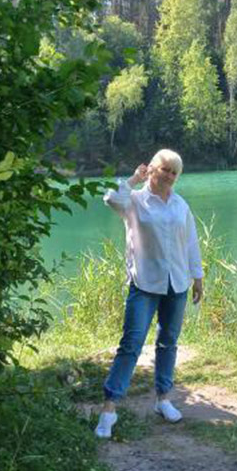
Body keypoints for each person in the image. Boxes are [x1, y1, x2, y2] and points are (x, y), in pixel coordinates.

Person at [94, 149, 204, 439]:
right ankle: (109, 408)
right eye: (165, 169)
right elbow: (110, 198)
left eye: (174, 172)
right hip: (144, 283)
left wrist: (198, 277)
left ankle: (163, 399)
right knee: (131, 343)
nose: (169, 175)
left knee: (168, 342)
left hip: (176, 283)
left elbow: (191, 243)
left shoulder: (180, 205)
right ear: (152, 169)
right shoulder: (134, 201)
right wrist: (133, 179)